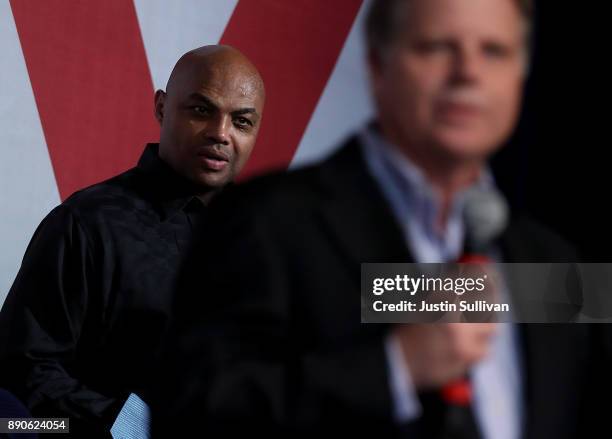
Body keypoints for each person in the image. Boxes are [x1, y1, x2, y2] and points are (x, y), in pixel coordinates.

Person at [152, 0, 605, 437]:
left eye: (494, 51)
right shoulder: (263, 222)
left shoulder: (552, 260)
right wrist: (393, 369)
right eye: (436, 47)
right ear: (376, 63)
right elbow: (188, 416)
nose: (468, 72)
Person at [0, 44, 266, 438]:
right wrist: (129, 427)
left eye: (241, 122)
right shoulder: (86, 224)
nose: (220, 134)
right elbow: (19, 374)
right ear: (161, 107)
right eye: (201, 110)